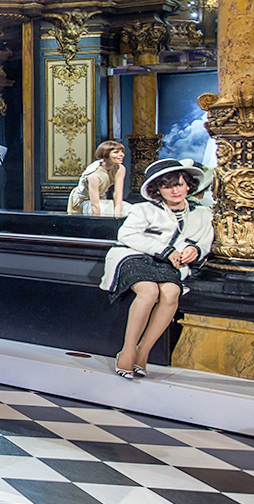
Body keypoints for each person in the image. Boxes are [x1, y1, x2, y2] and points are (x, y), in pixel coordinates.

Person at [101, 159, 213, 379]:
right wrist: (164, 250)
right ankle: (128, 350)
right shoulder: (143, 209)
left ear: (188, 185)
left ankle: (143, 351)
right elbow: (126, 236)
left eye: (179, 184)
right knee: (149, 292)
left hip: (169, 265)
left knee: (171, 292)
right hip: (133, 256)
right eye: (167, 186)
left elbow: (204, 243)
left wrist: (194, 250)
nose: (175, 190)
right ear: (158, 190)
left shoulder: (202, 214)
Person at [69, 140, 128, 216]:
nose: (121, 154)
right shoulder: (94, 175)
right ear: (106, 154)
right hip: (84, 201)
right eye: (116, 152)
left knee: (127, 207)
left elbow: (118, 192)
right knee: (103, 209)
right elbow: (94, 205)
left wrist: (117, 214)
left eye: (122, 151)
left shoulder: (120, 169)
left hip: (100, 198)